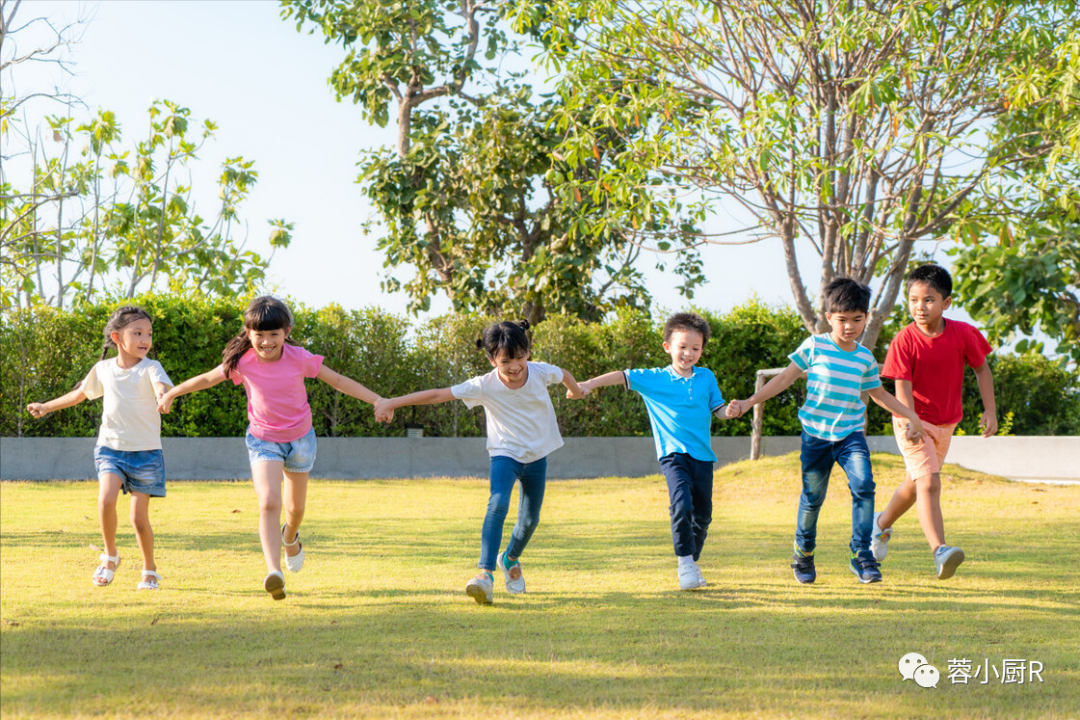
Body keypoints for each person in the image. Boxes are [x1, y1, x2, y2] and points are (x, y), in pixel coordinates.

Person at [157, 296, 384, 600]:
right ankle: (273, 571)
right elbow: (208, 379)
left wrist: (377, 400)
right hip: (264, 440)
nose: (266, 341)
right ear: (248, 333)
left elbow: (339, 381)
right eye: (259, 335)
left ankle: (290, 536)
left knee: (295, 510)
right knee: (268, 502)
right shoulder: (242, 362)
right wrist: (173, 393)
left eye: (273, 335)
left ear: (286, 332)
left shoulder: (299, 357)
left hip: (301, 440)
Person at [727, 278, 925, 585]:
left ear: (866, 318)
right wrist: (750, 401)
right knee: (812, 498)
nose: (849, 327)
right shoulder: (814, 346)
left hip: (851, 435)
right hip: (816, 436)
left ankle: (862, 556)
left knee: (864, 486)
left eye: (857, 320)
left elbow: (879, 394)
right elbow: (784, 379)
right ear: (829, 317)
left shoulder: (864, 358)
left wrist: (911, 415)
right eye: (842, 320)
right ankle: (803, 554)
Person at [374, 320, 584, 605]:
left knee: (530, 521)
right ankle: (485, 575)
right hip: (505, 454)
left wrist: (576, 391)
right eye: (506, 360)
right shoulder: (483, 385)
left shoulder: (540, 372)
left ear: (529, 351)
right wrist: (392, 402)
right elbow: (438, 395)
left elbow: (565, 375)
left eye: (520, 357)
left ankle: (509, 559)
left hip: (537, 456)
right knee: (497, 503)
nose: (515, 366)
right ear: (491, 359)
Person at [573, 312, 732, 591]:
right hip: (673, 454)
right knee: (681, 503)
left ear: (702, 350)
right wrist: (588, 384)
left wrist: (728, 411)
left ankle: (691, 561)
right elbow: (621, 376)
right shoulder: (655, 378)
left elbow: (717, 409)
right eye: (682, 346)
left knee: (703, 515)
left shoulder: (706, 377)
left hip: (704, 457)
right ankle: (684, 564)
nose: (688, 353)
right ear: (668, 347)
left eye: (695, 348)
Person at [27, 306, 173, 591]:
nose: (146, 339)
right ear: (117, 337)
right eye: (138, 333)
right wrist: (46, 406)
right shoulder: (103, 369)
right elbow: (79, 394)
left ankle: (149, 569)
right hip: (110, 449)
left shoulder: (151, 367)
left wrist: (163, 397)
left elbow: (161, 388)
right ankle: (110, 557)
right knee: (106, 500)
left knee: (137, 518)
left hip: (146, 453)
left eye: (149, 334)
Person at [869, 264, 996, 580]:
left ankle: (880, 525)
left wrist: (990, 410)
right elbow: (902, 386)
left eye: (928, 300)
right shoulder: (904, 340)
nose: (919, 307)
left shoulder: (964, 333)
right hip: (911, 420)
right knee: (929, 482)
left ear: (946, 302)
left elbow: (982, 369)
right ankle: (940, 550)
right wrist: (911, 419)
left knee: (916, 486)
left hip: (946, 423)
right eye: (913, 300)